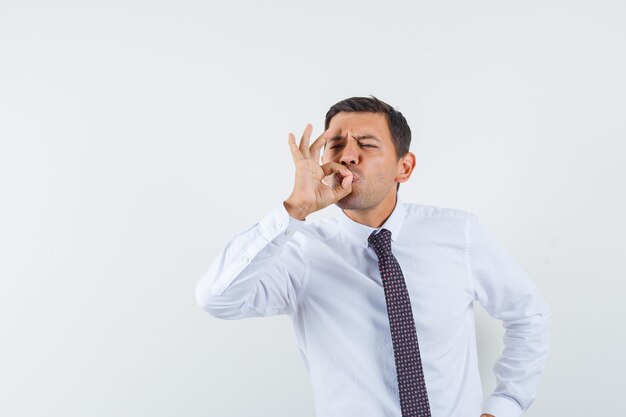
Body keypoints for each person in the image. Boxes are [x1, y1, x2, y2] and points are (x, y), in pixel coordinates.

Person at [195, 96, 551, 417]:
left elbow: (527, 314)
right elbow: (217, 299)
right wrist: (293, 209)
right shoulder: (300, 252)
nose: (348, 155)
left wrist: (507, 405)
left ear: (404, 167)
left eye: (366, 144)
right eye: (335, 144)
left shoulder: (458, 234)